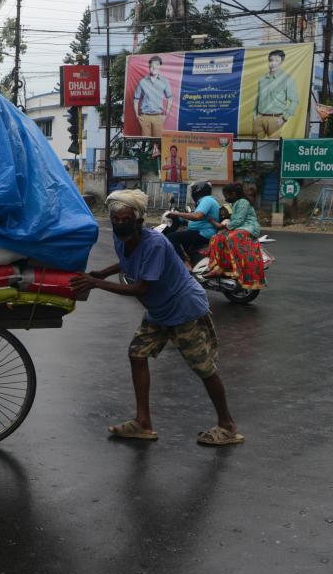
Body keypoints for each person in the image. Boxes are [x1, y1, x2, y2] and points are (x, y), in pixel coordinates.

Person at [69, 189, 244, 446]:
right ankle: (143, 423)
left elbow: (141, 288)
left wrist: (95, 283)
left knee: (204, 369)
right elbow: (127, 260)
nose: (119, 223)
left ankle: (227, 426)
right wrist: (104, 272)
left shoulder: (155, 244)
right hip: (160, 310)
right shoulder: (122, 238)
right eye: (115, 219)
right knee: (137, 354)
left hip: (185, 309)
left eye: (125, 219)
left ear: (139, 221)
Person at [203, 183, 266, 288]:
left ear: (234, 194)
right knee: (216, 238)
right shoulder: (235, 203)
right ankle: (219, 268)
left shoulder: (243, 202)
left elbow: (239, 220)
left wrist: (223, 227)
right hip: (238, 228)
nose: (226, 198)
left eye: (227, 195)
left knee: (231, 238)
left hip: (248, 227)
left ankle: (238, 269)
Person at [166, 180, 221, 267]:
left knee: (171, 237)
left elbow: (197, 216)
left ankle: (185, 264)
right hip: (201, 231)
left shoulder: (207, 200)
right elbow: (200, 219)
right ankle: (191, 261)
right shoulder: (206, 201)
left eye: (193, 190)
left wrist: (176, 214)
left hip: (204, 233)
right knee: (183, 238)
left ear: (198, 191)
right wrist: (182, 219)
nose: (192, 193)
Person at [253, 49, 298, 139]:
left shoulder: (287, 79)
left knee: (271, 148)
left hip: (275, 119)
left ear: (281, 62)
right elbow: (258, 98)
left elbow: (294, 101)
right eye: (271, 60)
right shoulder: (262, 79)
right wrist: (255, 116)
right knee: (256, 148)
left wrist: (284, 118)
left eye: (277, 60)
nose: (273, 63)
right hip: (259, 118)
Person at [133, 55, 173, 137]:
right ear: (149, 66)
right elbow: (136, 99)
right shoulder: (142, 82)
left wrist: (166, 115)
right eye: (152, 65)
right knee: (145, 141)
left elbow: (170, 98)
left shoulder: (165, 81)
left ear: (159, 66)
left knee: (158, 142)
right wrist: (137, 115)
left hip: (158, 116)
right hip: (145, 117)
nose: (154, 67)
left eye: (156, 65)